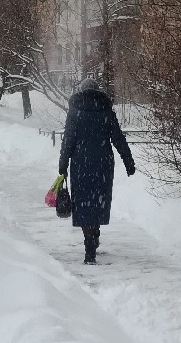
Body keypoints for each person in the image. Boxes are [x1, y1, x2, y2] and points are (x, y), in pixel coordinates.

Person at [58, 77, 135, 265]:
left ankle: (89, 247)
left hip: (80, 164)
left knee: (83, 204)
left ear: (82, 92)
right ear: (98, 91)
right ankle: (95, 236)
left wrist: (63, 164)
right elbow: (118, 138)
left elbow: (68, 140)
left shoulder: (75, 113)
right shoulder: (106, 112)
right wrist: (128, 160)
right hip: (103, 163)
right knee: (98, 202)